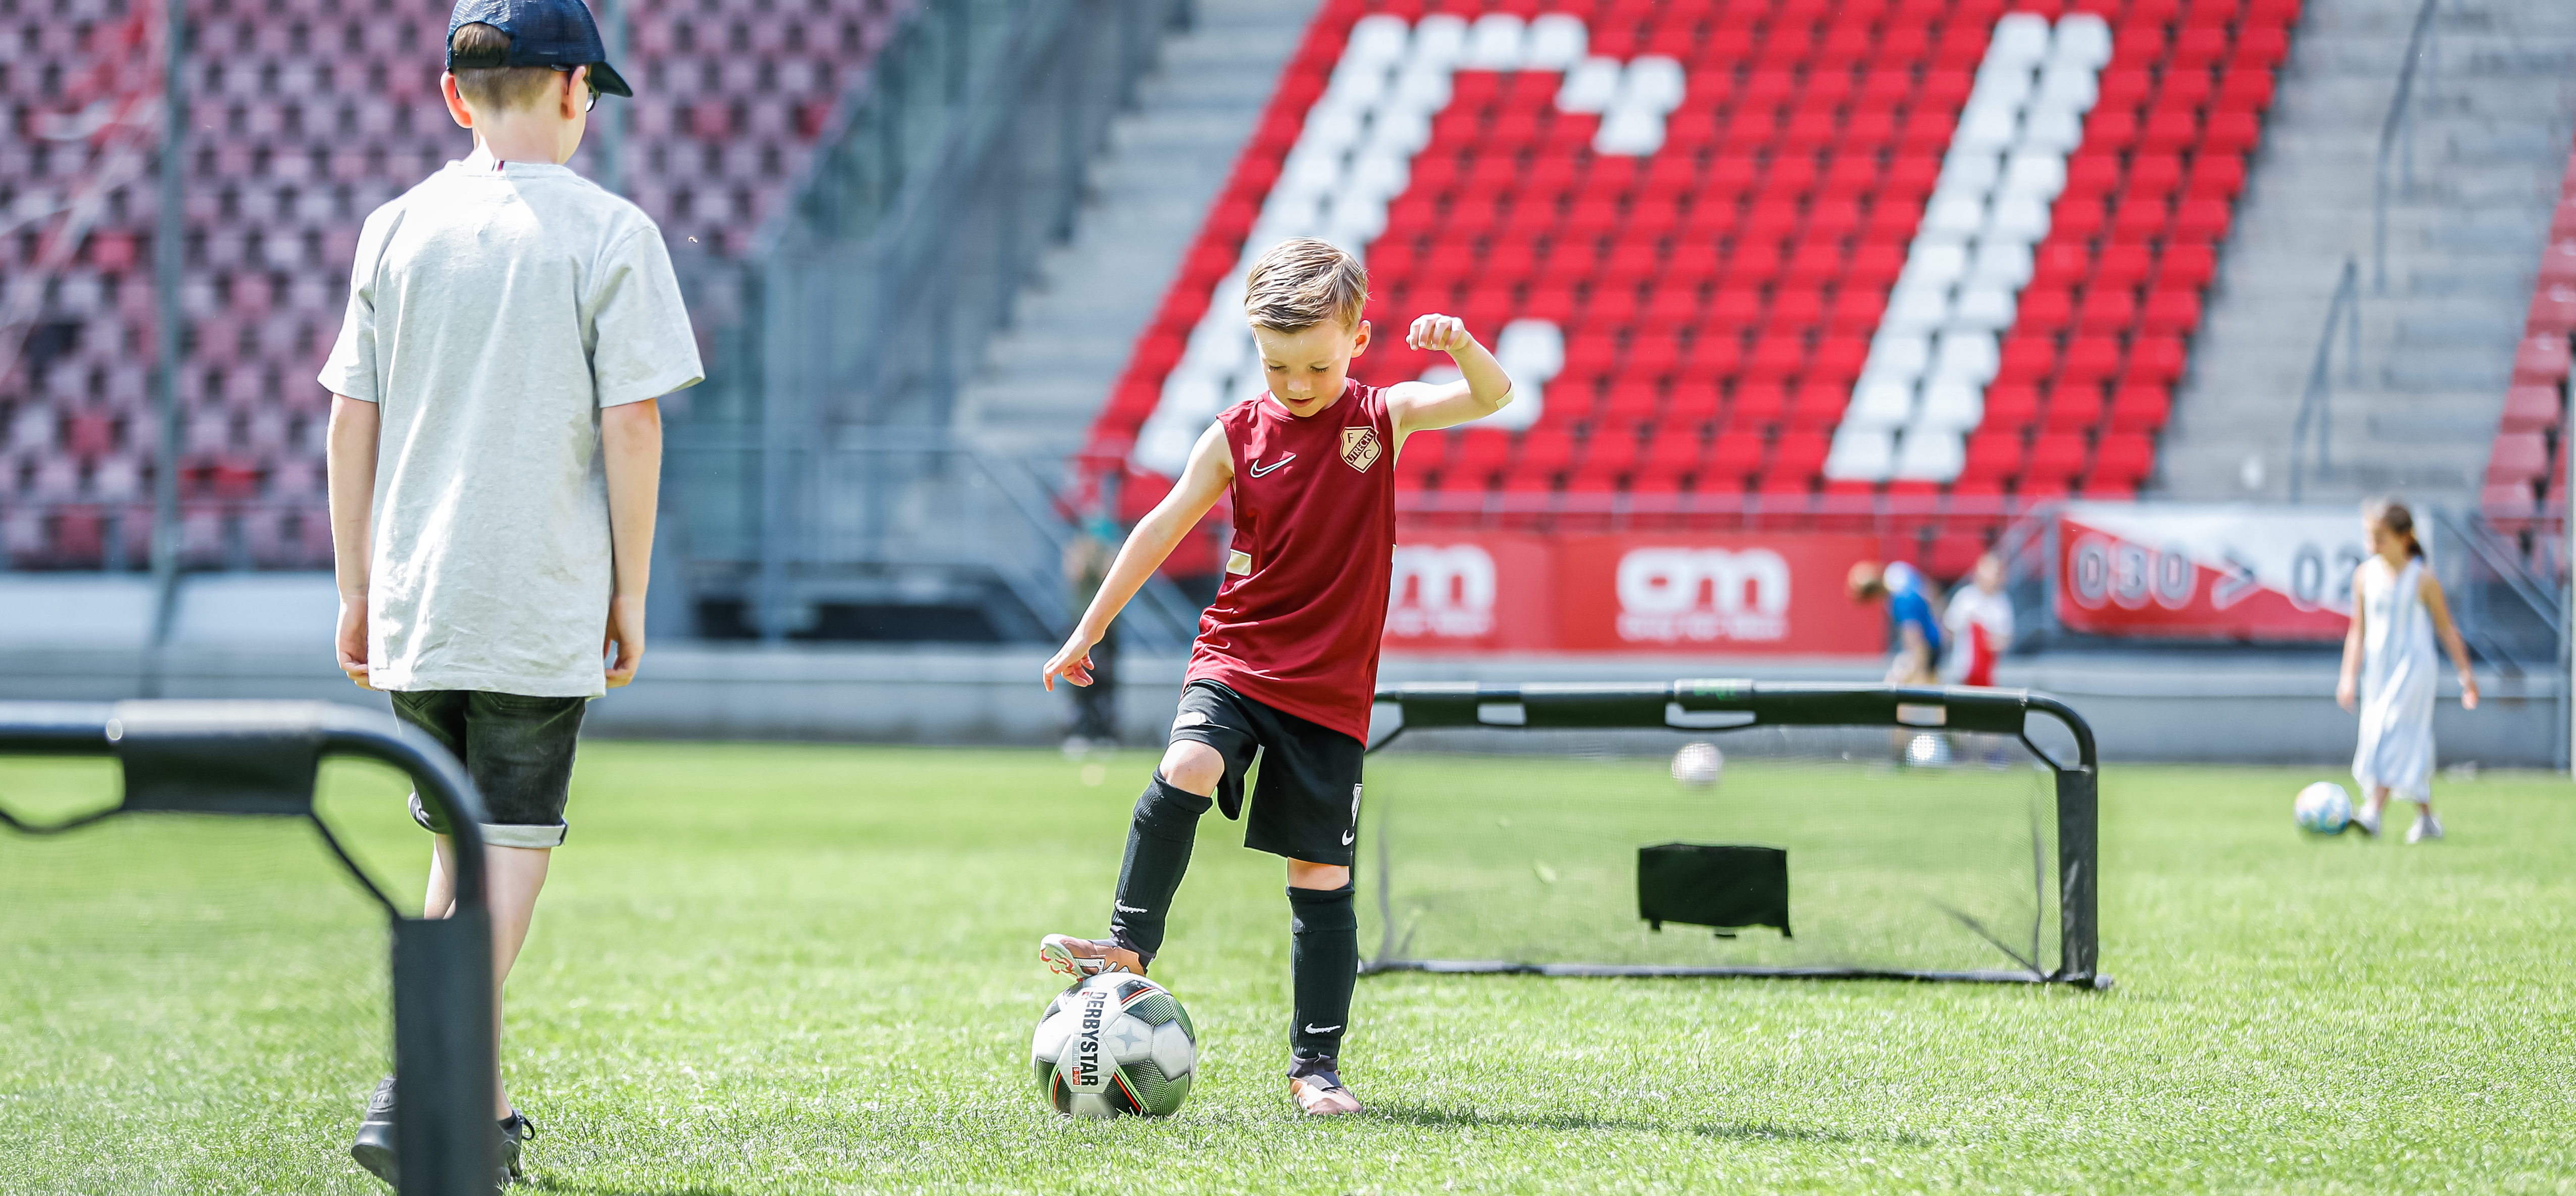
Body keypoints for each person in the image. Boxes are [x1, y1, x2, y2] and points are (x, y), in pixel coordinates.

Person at [321, 1, 700, 1183]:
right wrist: (630, 592)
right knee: (514, 842)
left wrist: (354, 588)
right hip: (537, 593)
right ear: (579, 91)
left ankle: (469, 1102)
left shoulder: (394, 227)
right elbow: (630, 423)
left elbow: (350, 420)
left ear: (453, 95)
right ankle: (415, 1080)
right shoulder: (611, 231)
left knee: (455, 837)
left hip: (419, 597)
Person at [1034, 238, 1515, 1116]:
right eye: (1277, 364)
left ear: (1358, 341)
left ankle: (1315, 1068)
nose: (1296, 383)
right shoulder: (1236, 436)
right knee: (1188, 765)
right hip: (1238, 654)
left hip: (1330, 692)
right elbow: (1158, 529)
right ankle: (1128, 947)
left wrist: (1460, 346)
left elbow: (1494, 395)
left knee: (1317, 877)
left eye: (1316, 364)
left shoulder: (1384, 416)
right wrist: (1086, 629)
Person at [2337, 499, 2478, 842]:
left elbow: (2446, 628)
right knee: (2399, 737)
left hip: (2415, 668)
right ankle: (2427, 819)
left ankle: (2373, 812)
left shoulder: (2423, 580)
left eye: (2380, 538)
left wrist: (2466, 676)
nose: (2373, 546)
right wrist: (2348, 676)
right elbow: (2359, 629)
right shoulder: (2365, 576)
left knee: (2392, 727)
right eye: (2370, 538)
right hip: (2380, 669)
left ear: (2404, 538)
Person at [1061, 517, 1121, 754]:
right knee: (1077, 683)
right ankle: (1078, 733)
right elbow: (1075, 574)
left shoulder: (1110, 553)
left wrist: (1106, 552)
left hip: (1107, 629)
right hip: (1079, 627)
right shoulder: (1078, 552)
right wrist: (1086, 551)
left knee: (1105, 681)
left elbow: (1112, 576)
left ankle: (1105, 733)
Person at [1847, 559, 1943, 685]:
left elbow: (1915, 639)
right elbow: (1930, 591)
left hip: (1928, 647)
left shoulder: (1901, 600)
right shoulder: (1897, 570)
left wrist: (1917, 671)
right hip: (1935, 636)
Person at [1943, 552, 2013, 686]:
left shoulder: (2002, 602)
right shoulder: (1965, 598)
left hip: (1989, 673)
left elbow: (2006, 637)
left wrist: (1992, 643)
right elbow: (1949, 629)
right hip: (1962, 672)